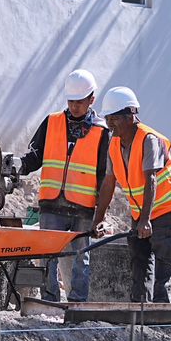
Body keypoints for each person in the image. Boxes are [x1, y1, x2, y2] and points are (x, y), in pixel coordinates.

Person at [18, 69, 110, 303]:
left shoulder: (102, 132)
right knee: (48, 255)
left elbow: (105, 175)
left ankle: (78, 304)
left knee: (81, 257)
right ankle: (49, 301)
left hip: (84, 206)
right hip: (51, 204)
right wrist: (16, 166)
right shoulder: (52, 122)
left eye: (80, 102)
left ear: (92, 99)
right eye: (71, 101)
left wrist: (101, 213)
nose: (75, 106)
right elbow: (34, 156)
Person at [96, 87, 171, 303]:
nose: (110, 123)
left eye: (114, 118)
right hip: (140, 210)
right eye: (108, 118)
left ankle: (161, 316)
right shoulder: (114, 143)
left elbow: (150, 179)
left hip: (165, 208)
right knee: (139, 262)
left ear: (130, 115)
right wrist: (97, 220)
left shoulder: (148, 139)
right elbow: (109, 182)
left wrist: (146, 220)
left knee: (165, 263)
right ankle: (140, 312)